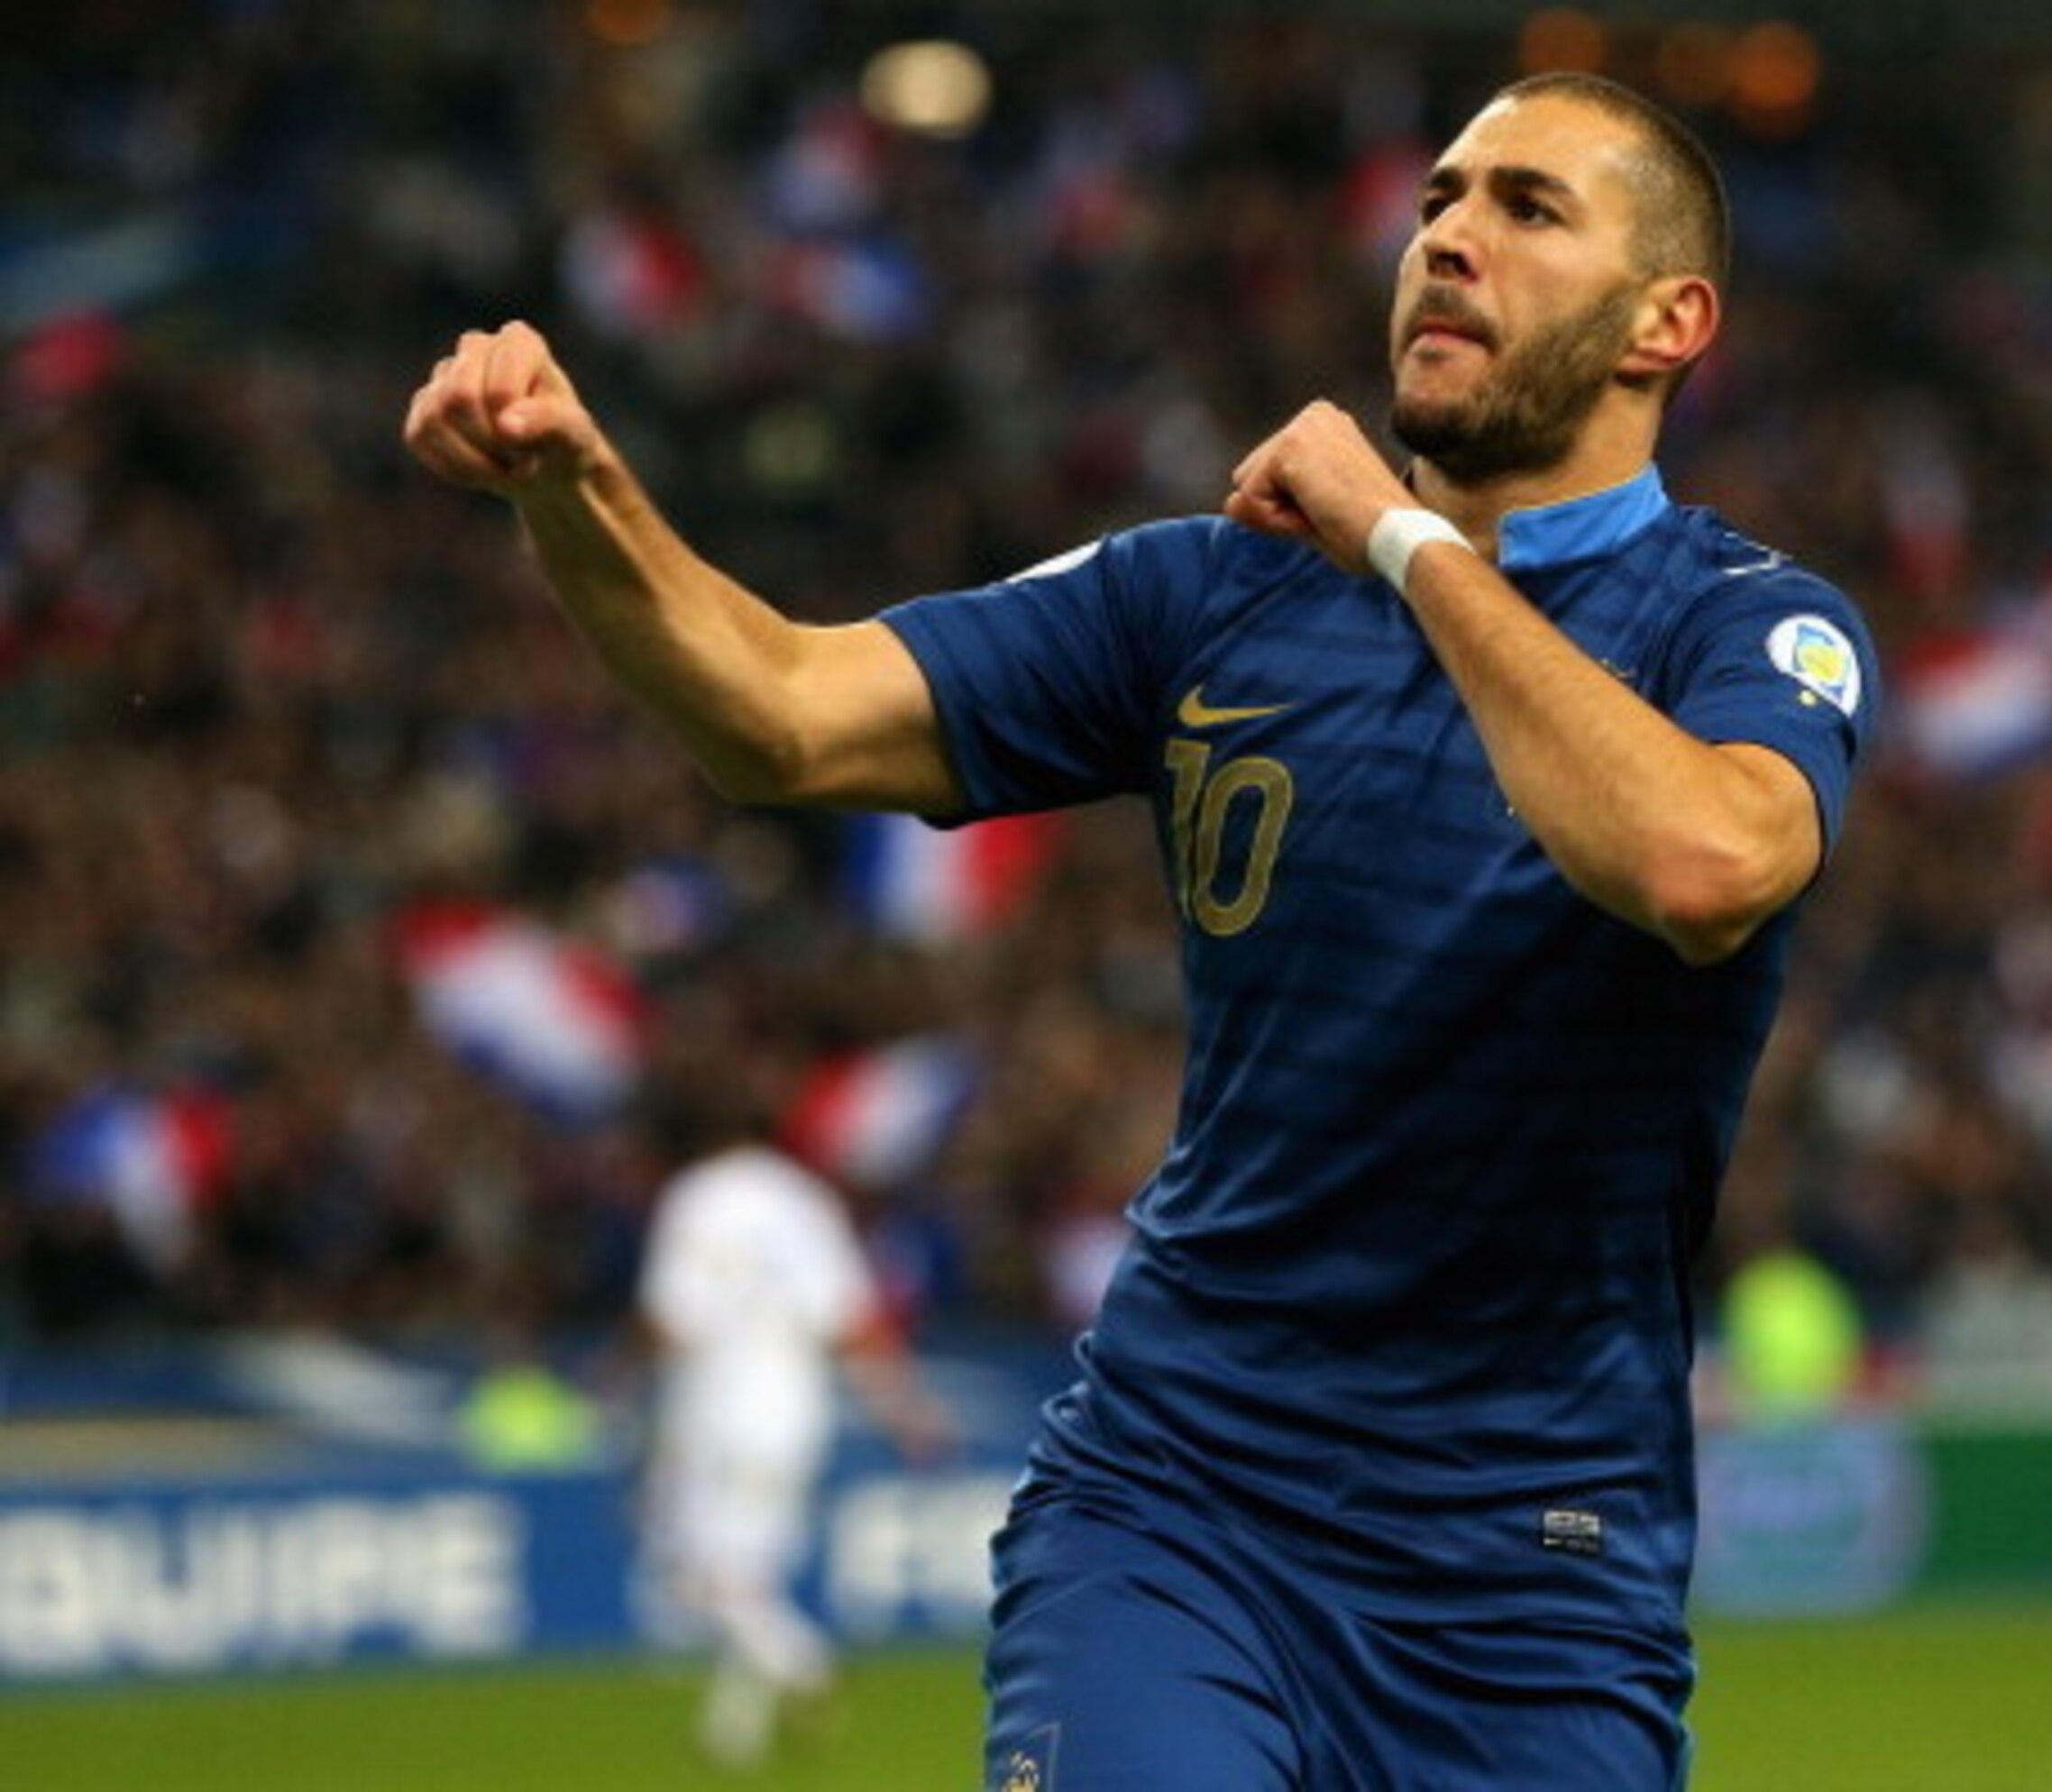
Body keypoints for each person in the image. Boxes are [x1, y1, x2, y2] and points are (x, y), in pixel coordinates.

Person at [408, 69, 1877, 1792]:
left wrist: (1405, 543)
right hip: (1181, 1506)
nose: (1448, 240)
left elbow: (1705, 861)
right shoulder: (1210, 590)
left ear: (1666, 321)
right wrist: (575, 491)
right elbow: (783, 714)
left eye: (1527, 208)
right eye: (1438, 202)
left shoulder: (1742, 624)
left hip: (1532, 1571)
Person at [633, 1087, 954, 1769]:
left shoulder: (697, 1197)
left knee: (702, 1576)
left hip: (716, 1409)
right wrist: (906, 1410)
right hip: (794, 1411)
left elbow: (672, 1317)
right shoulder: (805, 1201)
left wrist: (612, 1379)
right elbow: (855, 1322)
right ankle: (731, 1738)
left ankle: (806, 1666)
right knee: (753, 1572)